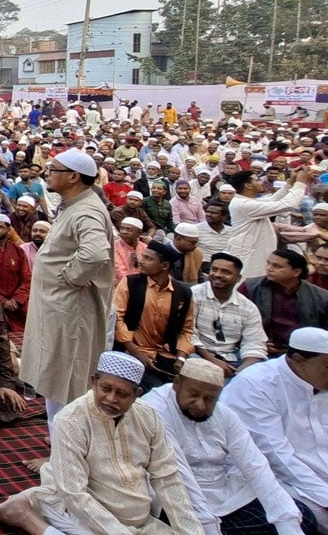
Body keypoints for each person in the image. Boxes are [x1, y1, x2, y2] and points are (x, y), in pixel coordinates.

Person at [0, 351, 206, 535]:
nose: (111, 398)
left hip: (140, 518)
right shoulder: (71, 420)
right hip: (80, 511)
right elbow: (74, 493)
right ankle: (25, 516)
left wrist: (191, 531)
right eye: (105, 389)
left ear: (137, 394)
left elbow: (167, 477)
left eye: (122, 393)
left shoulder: (148, 416)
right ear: (93, 382)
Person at [143, 358, 313, 535]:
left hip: (224, 494)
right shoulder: (156, 409)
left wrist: (286, 521)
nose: (201, 405)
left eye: (209, 399)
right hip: (177, 499)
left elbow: (255, 465)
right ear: (177, 384)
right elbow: (178, 474)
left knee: (304, 519)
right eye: (194, 395)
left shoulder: (224, 415)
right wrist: (208, 527)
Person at [18, 150, 115, 440]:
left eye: (54, 169)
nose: (48, 172)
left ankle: (66, 450)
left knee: (66, 380)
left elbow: (96, 253)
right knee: (54, 377)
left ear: (73, 176)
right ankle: (62, 437)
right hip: (59, 310)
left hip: (70, 311)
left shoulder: (86, 210)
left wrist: (70, 277)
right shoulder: (74, 204)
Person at [223, 327, 328, 532]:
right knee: (314, 514)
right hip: (266, 476)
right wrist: (325, 496)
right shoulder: (257, 384)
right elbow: (277, 457)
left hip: (313, 475)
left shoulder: (321, 384)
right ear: (298, 359)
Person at [114, 239, 197, 389]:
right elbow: (118, 319)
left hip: (166, 357)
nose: (141, 261)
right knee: (156, 390)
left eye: (148, 258)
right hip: (132, 352)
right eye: (143, 256)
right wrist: (135, 352)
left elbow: (186, 329)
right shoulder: (131, 283)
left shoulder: (183, 293)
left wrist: (181, 358)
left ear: (165, 266)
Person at [192, 252, 268, 376]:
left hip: (233, 358)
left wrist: (245, 368)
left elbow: (254, 341)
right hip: (199, 354)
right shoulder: (193, 295)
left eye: (225, 272)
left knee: (258, 372)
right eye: (214, 269)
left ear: (238, 278)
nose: (217, 275)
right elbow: (188, 334)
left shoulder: (248, 307)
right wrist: (212, 360)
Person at [226, 168, 312, 279]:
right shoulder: (243, 204)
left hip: (255, 251)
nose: (261, 182)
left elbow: (273, 200)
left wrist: (290, 182)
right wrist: (301, 183)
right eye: (257, 180)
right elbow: (287, 205)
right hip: (250, 254)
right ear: (248, 185)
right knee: (249, 285)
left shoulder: (247, 201)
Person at [239, 248, 328, 353]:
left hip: (305, 352)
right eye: (268, 263)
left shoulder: (321, 297)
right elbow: (234, 320)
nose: (269, 268)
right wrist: (256, 343)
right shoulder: (250, 287)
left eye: (277, 266)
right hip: (258, 348)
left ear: (296, 272)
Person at [0, 212, 33, 332]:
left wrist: (16, 300)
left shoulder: (18, 251)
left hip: (16, 305)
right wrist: (2, 301)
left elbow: (27, 279)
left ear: (8, 230)